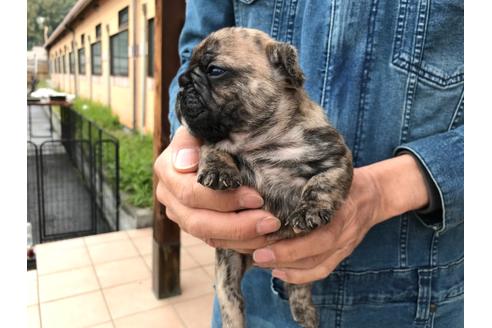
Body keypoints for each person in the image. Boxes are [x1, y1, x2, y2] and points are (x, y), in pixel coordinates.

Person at [154, 1, 463, 327]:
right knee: (230, 285)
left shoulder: (317, 140)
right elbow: (192, 56)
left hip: (417, 294)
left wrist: (387, 189)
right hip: (258, 289)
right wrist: (187, 140)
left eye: (216, 71)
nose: (194, 81)